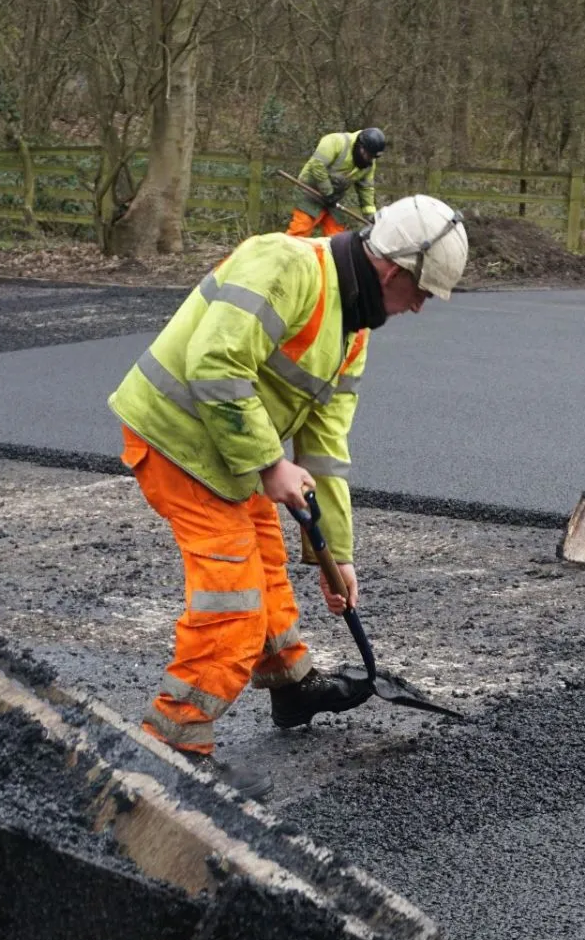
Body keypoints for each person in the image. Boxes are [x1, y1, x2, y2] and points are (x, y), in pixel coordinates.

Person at [109, 195, 468, 798]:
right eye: (422, 292)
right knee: (233, 608)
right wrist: (271, 462)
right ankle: (171, 742)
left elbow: (325, 451)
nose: (421, 307)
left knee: (267, 565)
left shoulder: (354, 331)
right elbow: (213, 365)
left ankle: (291, 685)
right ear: (392, 271)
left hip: (228, 451)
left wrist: (338, 555)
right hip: (176, 436)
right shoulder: (286, 265)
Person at [286, 128, 386, 237]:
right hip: (310, 193)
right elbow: (317, 165)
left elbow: (366, 188)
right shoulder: (335, 142)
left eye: (372, 157)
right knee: (300, 231)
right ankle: (283, 252)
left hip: (333, 200)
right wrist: (327, 192)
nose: (368, 159)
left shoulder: (369, 164)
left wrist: (370, 216)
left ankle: (330, 254)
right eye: (366, 154)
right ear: (359, 145)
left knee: (337, 237)